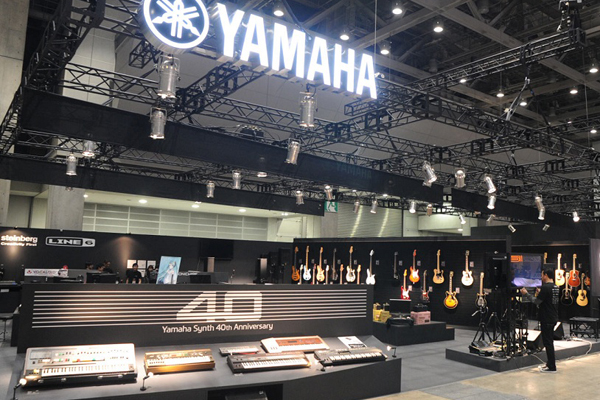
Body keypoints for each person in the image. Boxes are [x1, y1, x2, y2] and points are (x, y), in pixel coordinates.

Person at [520, 267, 560, 373]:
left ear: (546, 275)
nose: (541, 277)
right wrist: (540, 293)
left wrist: (526, 294)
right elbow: (548, 300)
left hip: (546, 318)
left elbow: (536, 302)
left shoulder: (546, 287)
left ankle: (551, 366)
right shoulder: (555, 287)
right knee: (549, 341)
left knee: (548, 343)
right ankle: (550, 364)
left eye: (542, 275)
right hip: (553, 316)